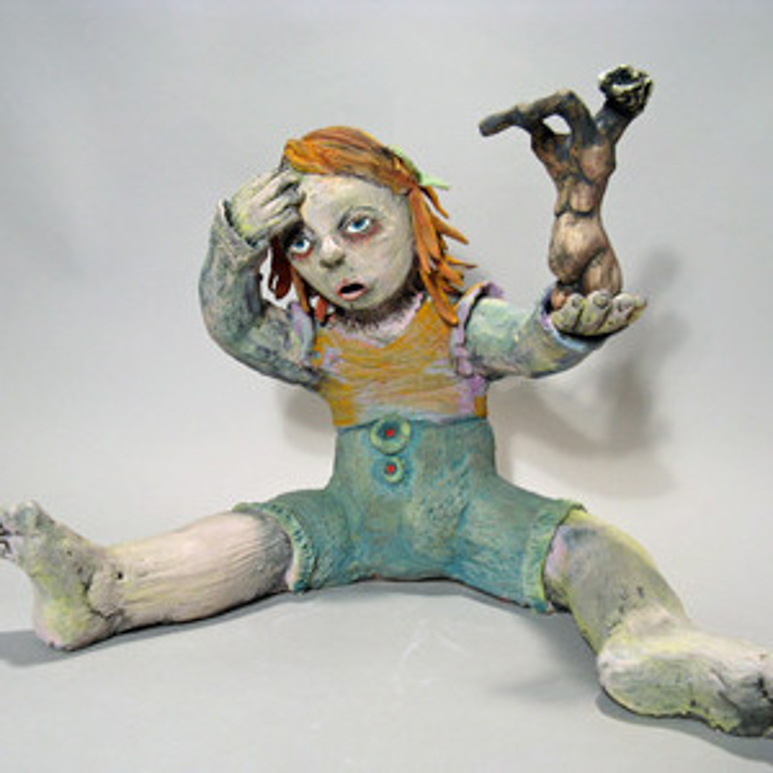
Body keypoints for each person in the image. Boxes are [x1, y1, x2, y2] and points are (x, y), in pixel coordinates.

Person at [1, 71, 771, 738]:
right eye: (300, 243)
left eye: (357, 224)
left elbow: (532, 342)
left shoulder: (460, 323)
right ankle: (106, 587)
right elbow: (234, 325)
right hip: (347, 517)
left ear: (412, 211)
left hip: (475, 518)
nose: (330, 254)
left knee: (591, 547)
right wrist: (232, 242)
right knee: (250, 538)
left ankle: (650, 640)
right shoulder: (316, 340)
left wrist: (569, 303)